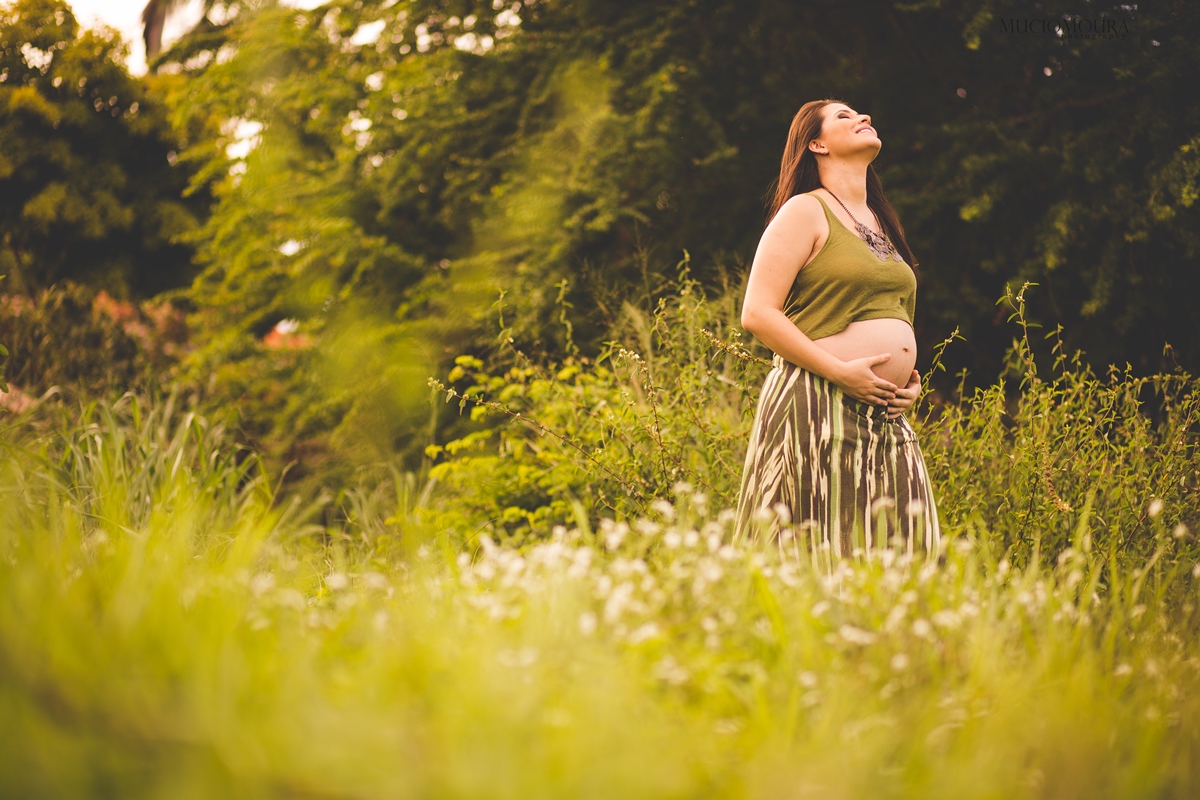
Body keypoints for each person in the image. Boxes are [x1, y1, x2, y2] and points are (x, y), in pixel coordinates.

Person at [734, 99, 940, 557]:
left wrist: (909, 382)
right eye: (845, 116)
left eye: (863, 113)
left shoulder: (882, 223)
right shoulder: (804, 212)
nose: (864, 117)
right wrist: (839, 372)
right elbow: (757, 313)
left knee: (907, 548)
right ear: (817, 144)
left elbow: (889, 314)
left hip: (886, 415)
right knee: (809, 551)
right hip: (816, 401)